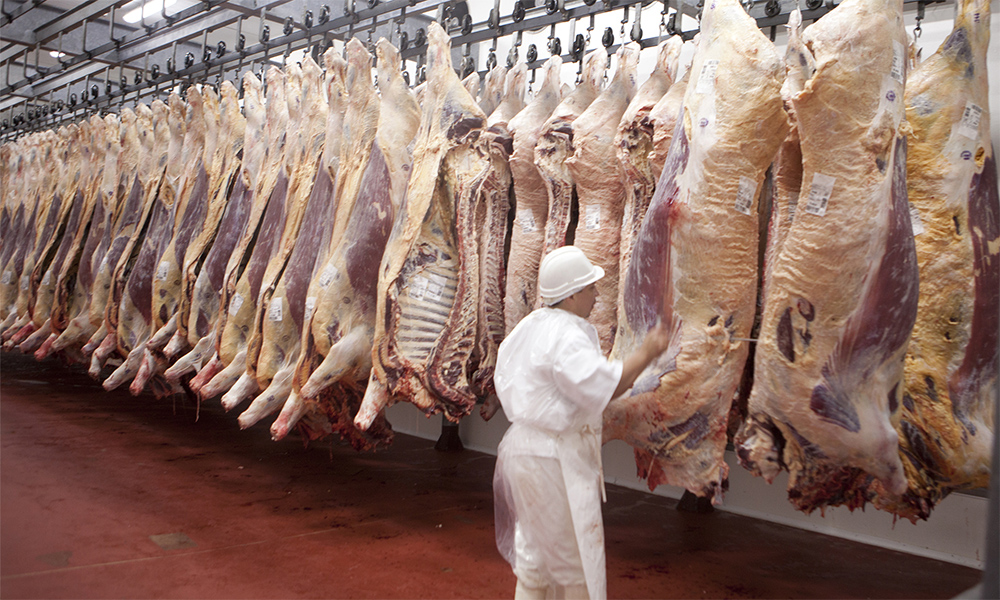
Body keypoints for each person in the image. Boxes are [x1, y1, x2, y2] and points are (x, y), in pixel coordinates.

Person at [492, 245, 674, 600]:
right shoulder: (568, 334)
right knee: (573, 564)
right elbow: (603, 385)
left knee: (535, 559)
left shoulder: (532, 325)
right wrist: (647, 353)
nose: (597, 294)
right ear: (572, 294)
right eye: (591, 288)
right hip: (552, 460)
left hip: (524, 450)